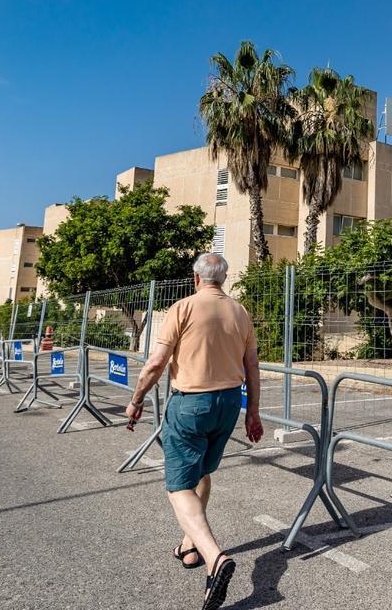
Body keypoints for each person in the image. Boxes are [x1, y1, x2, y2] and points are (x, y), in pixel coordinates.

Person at [126, 252, 263, 610]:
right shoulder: (240, 312)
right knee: (201, 472)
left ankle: (214, 558)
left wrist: (136, 399)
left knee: (178, 486)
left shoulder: (182, 308)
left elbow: (156, 362)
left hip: (191, 404)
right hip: (229, 403)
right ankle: (190, 545)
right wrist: (254, 412)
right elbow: (252, 365)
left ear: (196, 278)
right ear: (224, 278)